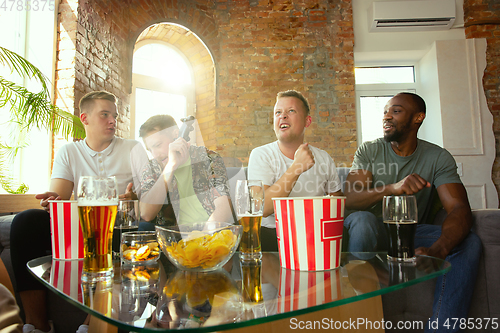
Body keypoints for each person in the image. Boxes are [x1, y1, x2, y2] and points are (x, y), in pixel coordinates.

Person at [343, 92, 481, 333]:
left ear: (418, 118)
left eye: (395, 111)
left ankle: (442, 328)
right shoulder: (369, 150)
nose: (387, 116)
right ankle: (361, 317)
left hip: (410, 232)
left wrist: (440, 248)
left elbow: (459, 209)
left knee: (468, 241)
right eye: (385, 111)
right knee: (363, 221)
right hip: (373, 230)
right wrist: (392, 188)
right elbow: (349, 198)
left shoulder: (438, 157)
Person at [10, 91, 139, 333]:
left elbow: (146, 199)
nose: (113, 120)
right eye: (104, 115)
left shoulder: (133, 148)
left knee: (124, 230)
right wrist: (53, 200)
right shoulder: (69, 152)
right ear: (85, 118)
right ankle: (36, 325)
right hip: (80, 225)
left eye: (114, 115)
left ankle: (91, 326)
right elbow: (59, 198)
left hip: (116, 226)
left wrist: (134, 198)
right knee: (26, 221)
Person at [248, 90, 343, 251]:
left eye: (291, 111)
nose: (282, 116)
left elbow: (337, 203)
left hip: (313, 235)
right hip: (272, 236)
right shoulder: (261, 154)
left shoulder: (323, 158)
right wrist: (296, 167)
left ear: (307, 121)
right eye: (278, 112)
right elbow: (261, 208)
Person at [133, 114, 233, 227]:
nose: (155, 154)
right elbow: (146, 214)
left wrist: (201, 239)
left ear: (176, 135)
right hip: (173, 238)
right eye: (150, 150)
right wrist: (171, 166)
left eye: (158, 145)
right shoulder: (152, 167)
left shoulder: (209, 158)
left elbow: (224, 208)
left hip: (210, 234)